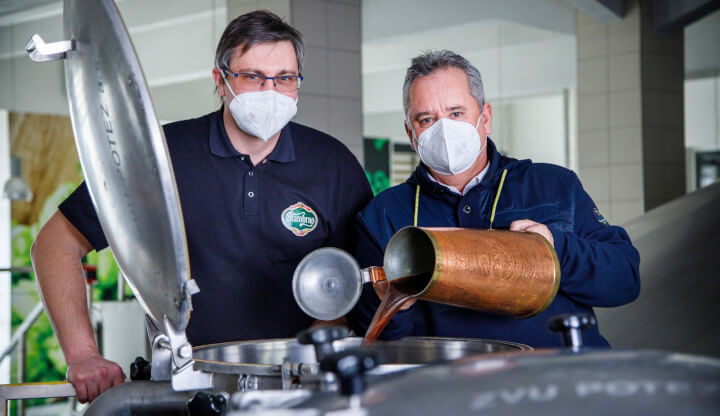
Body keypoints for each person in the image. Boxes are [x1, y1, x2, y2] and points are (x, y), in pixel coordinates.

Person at [30, 11, 372, 402]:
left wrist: (312, 351)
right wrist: (83, 355)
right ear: (220, 80)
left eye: (285, 78)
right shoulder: (161, 155)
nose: (270, 91)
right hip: (185, 390)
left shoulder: (334, 165)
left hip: (299, 390)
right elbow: (56, 244)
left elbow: (361, 277)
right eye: (253, 76)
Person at [346, 50, 640, 348]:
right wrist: (389, 299)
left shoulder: (553, 184)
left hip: (563, 379)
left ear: (485, 118)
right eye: (426, 119)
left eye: (456, 113)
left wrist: (556, 248)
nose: (444, 129)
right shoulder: (382, 216)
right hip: (452, 388)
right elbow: (377, 339)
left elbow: (625, 280)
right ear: (411, 134)